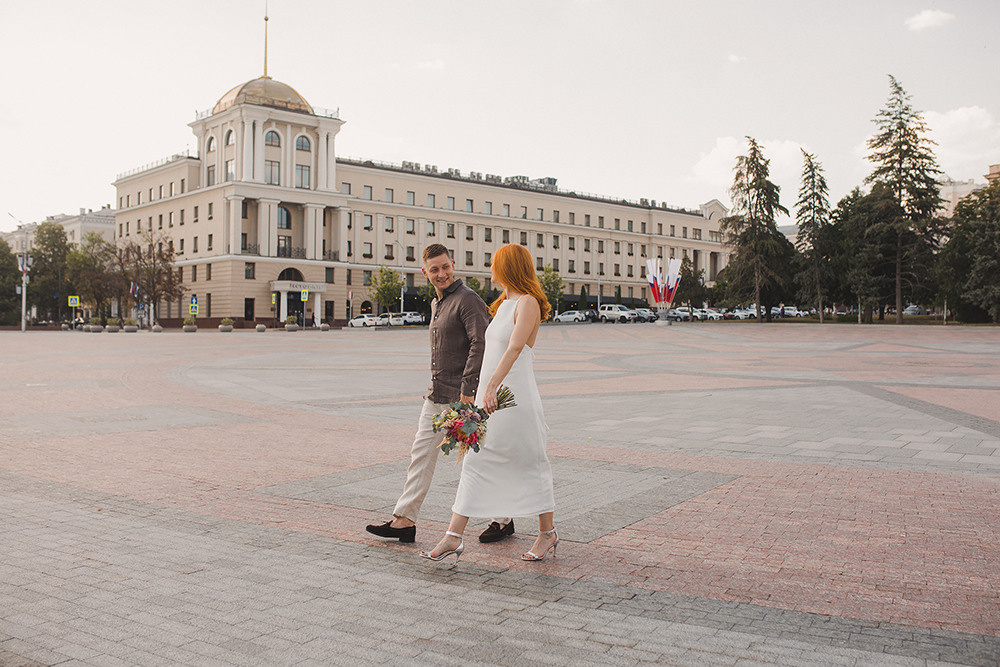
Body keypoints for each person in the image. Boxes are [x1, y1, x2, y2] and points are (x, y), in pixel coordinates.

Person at [366, 243, 514, 544]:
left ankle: (504, 519)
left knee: (482, 458)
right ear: (425, 273)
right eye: (434, 269)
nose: (441, 273)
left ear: (453, 265)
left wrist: (468, 392)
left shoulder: (468, 300)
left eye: (445, 267)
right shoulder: (437, 303)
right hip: (436, 394)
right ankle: (404, 520)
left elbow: (480, 344)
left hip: (463, 398)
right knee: (420, 455)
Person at [420, 244, 557, 563]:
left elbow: (514, 348)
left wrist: (492, 385)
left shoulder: (528, 303)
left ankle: (547, 533)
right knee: (476, 462)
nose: (492, 269)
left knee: (529, 461)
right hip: (490, 396)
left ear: (509, 267)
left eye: (496, 264)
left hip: (514, 397)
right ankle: (453, 536)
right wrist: (482, 390)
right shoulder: (504, 303)